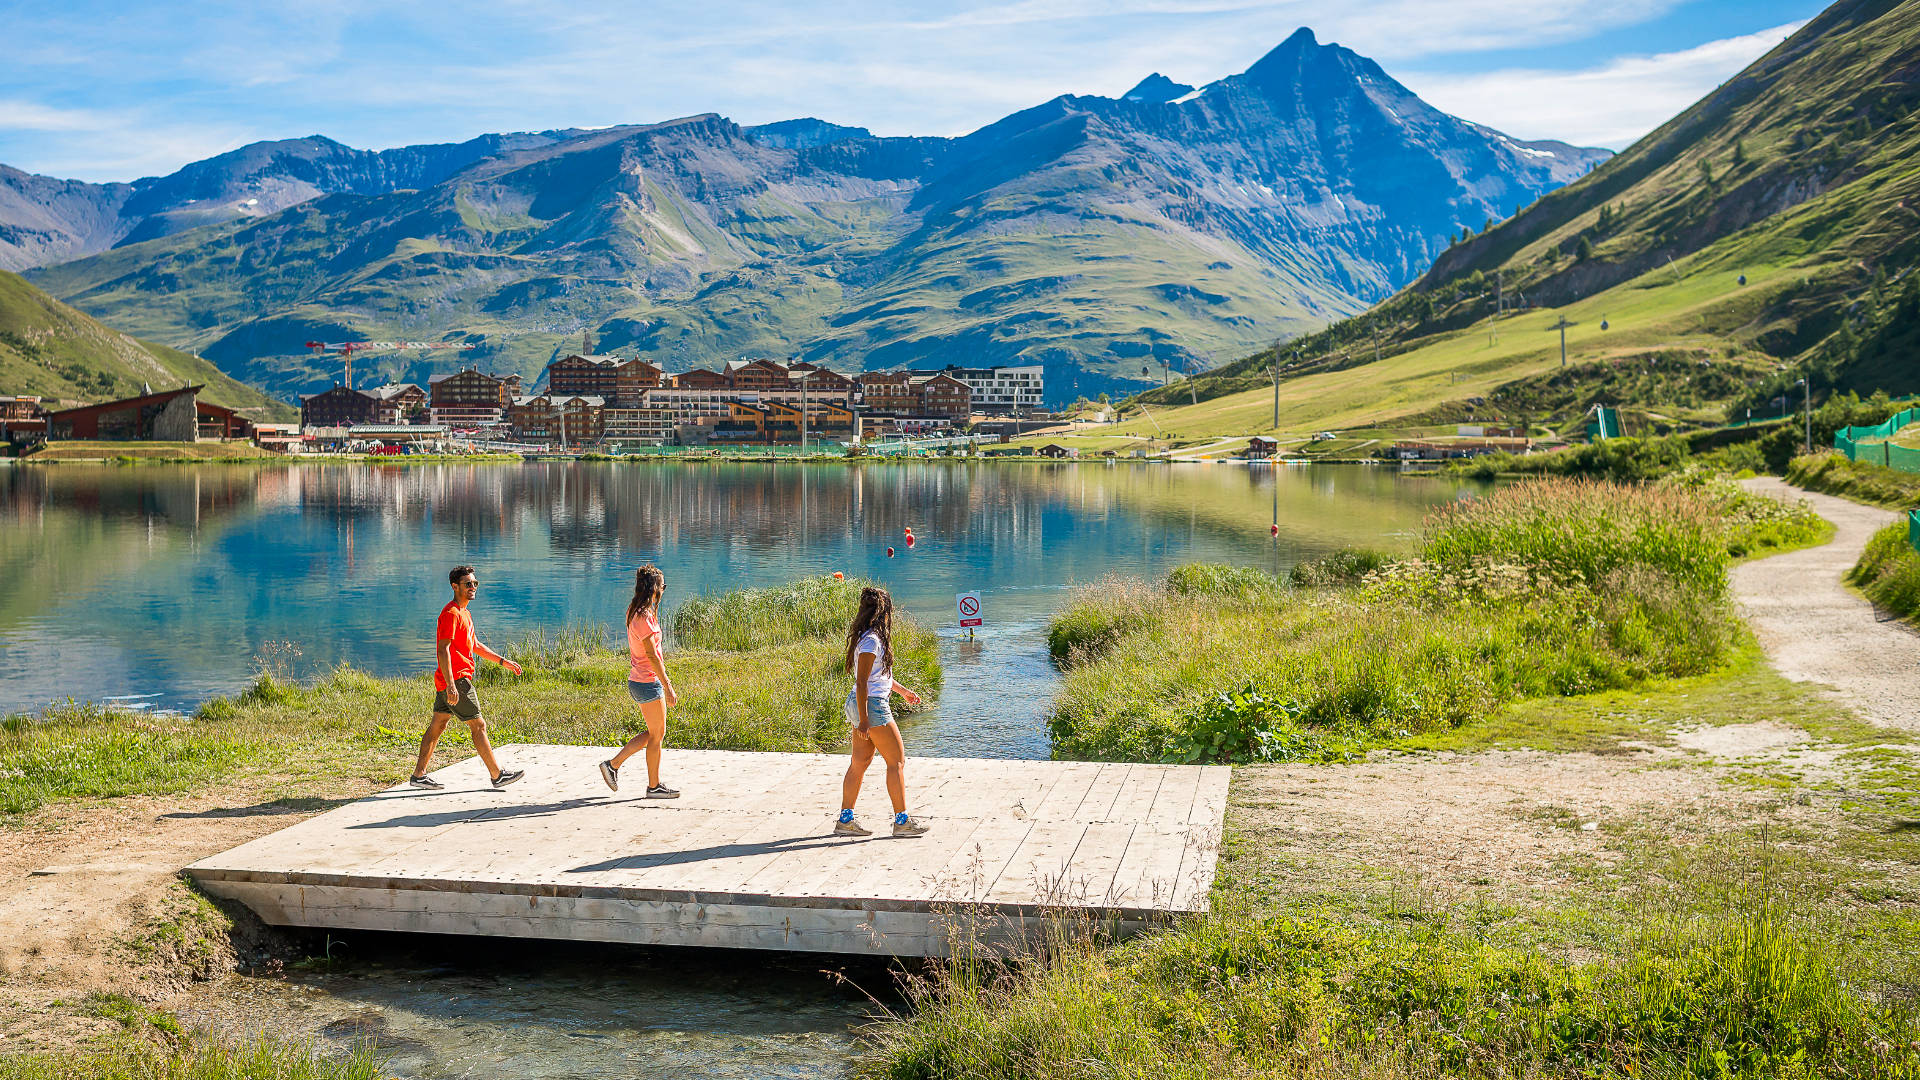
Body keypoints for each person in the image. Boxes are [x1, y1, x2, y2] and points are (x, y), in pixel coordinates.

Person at [409, 565, 524, 789]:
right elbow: (443, 649)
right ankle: (496, 775)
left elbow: (475, 645)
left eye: (475, 583)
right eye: (468, 584)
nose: (473, 587)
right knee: (478, 725)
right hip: (457, 681)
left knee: (438, 724)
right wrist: (452, 684)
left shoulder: (465, 613)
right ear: (455, 586)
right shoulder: (450, 614)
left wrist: (503, 661)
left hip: (450, 681)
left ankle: (419, 775)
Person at [835, 586, 929, 837]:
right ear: (883, 611)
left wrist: (903, 691)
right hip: (871, 706)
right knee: (896, 762)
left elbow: (879, 678)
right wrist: (865, 720)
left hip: (863, 703)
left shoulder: (867, 637)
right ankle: (902, 822)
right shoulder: (872, 641)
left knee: (859, 763)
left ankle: (845, 821)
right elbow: (863, 681)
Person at [598, 564, 680, 798]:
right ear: (654, 588)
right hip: (647, 682)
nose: (663, 590)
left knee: (655, 733)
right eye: (663, 586)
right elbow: (652, 656)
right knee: (657, 735)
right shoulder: (643, 617)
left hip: (641, 680)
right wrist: (668, 685)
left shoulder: (636, 611)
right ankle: (653, 786)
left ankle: (613, 766)